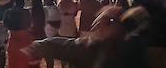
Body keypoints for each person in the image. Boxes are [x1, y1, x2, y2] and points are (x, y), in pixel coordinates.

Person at [22, 6, 150, 68]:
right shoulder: (91, 47)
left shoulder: (132, 48)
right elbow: (59, 45)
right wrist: (37, 47)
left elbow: (62, 46)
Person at [3, 0, 32, 68]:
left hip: (13, 40)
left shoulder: (8, 12)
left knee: (13, 62)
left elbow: (5, 25)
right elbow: (29, 25)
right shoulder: (26, 12)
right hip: (25, 40)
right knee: (24, 62)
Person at [43, 0, 60, 68]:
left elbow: (57, 24)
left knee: (49, 58)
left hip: (51, 36)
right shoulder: (45, 8)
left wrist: (46, 21)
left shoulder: (55, 9)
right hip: (45, 35)